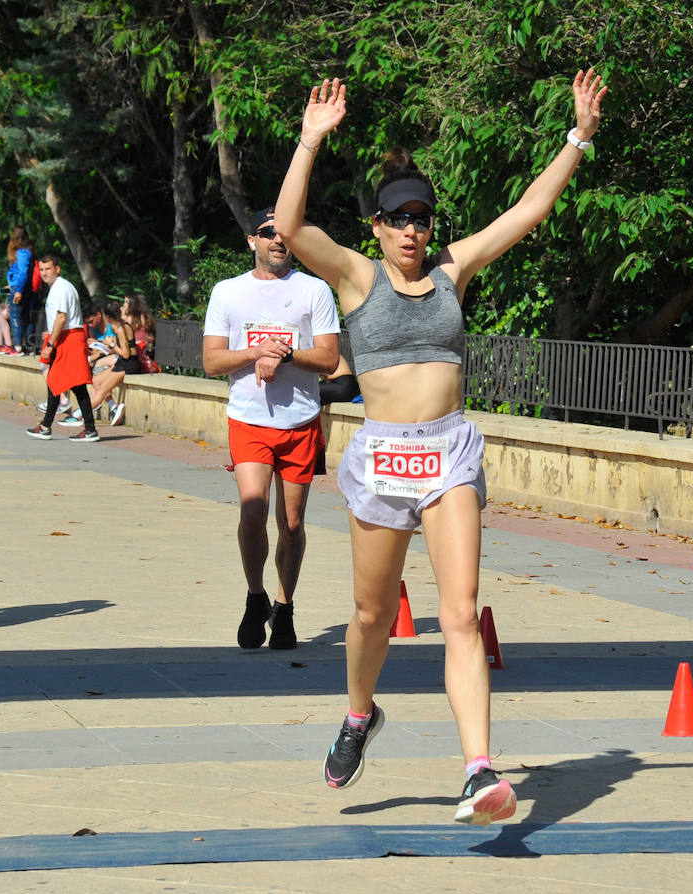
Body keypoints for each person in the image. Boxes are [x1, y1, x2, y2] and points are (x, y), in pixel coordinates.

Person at [273, 70, 605, 824]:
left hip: (448, 452)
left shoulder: (455, 269)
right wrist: (309, 140)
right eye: (398, 220)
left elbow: (530, 208)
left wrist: (578, 136)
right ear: (379, 229)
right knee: (369, 616)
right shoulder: (358, 279)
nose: (412, 231)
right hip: (383, 457)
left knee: (460, 613)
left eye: (421, 218)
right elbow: (290, 229)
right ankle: (360, 716)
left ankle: (478, 769)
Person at [202, 207, 341, 652]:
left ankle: (284, 607)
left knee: (293, 523)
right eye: (267, 233)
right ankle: (255, 597)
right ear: (252, 241)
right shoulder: (228, 292)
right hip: (249, 420)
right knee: (252, 512)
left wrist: (283, 354)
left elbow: (329, 360)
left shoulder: (314, 290)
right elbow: (210, 362)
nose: (277, 241)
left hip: (299, 421)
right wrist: (255, 350)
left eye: (284, 234)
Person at [27, 255, 99, 442]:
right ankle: (50, 426)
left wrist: (50, 344)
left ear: (57, 269)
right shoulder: (61, 287)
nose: (44, 273)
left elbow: (61, 317)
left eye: (48, 269)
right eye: (41, 270)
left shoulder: (60, 288)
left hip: (69, 339)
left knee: (62, 382)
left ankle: (47, 427)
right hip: (68, 337)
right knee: (68, 384)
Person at [71, 294, 153, 428]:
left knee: (102, 391)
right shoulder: (118, 328)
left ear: (108, 317)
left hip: (128, 365)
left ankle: (80, 414)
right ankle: (114, 407)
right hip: (122, 363)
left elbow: (126, 354)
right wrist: (110, 343)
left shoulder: (121, 329)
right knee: (96, 381)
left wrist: (113, 345)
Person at [5, 227, 35, 353]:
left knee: (15, 316)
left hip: (20, 288)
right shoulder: (29, 251)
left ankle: (18, 347)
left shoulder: (22, 253)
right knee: (25, 317)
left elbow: (23, 273)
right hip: (23, 287)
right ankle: (28, 346)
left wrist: (18, 290)